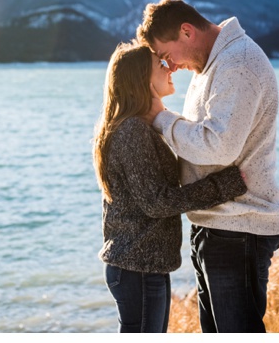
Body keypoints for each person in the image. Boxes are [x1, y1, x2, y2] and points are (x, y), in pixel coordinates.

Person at [136, 0, 279, 333]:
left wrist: (161, 118)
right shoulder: (213, 65)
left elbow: (218, 145)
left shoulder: (237, 64)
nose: (170, 66)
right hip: (219, 224)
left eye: (166, 55)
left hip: (239, 226)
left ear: (186, 31)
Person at [93, 41, 248, 333]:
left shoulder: (141, 126)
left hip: (143, 265)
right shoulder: (132, 131)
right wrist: (223, 185)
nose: (170, 68)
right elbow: (157, 202)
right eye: (160, 65)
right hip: (136, 266)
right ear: (142, 79)